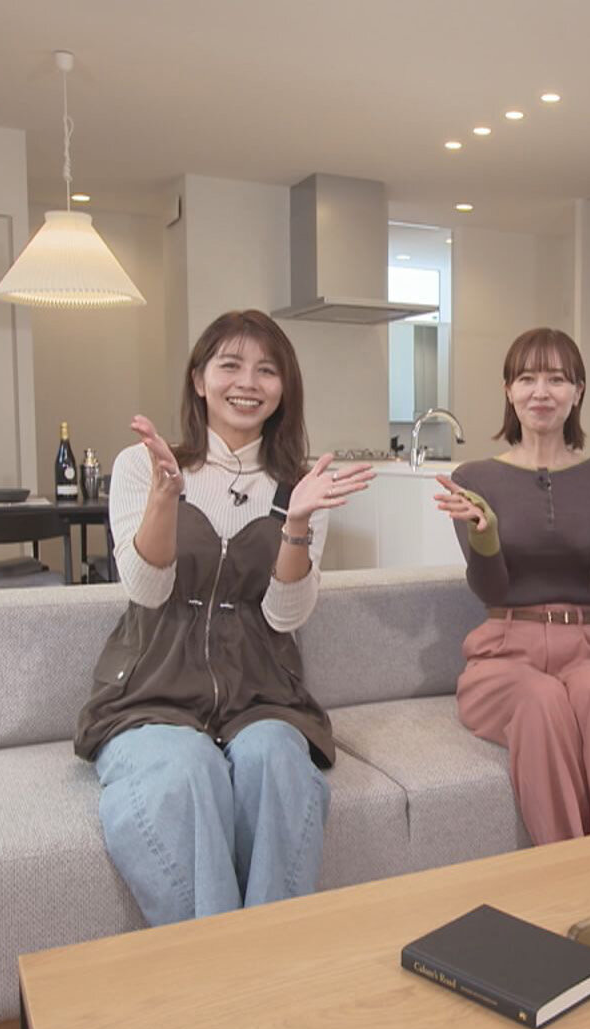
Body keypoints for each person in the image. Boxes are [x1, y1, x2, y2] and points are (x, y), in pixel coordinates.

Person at [75, 309, 373, 926]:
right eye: (230, 365)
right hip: (152, 691)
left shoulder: (302, 486)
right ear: (199, 378)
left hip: (262, 694)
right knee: (188, 768)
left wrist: (297, 522)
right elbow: (146, 589)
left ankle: (266, 951)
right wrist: (165, 498)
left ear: (284, 387)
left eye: (267, 370)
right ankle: (222, 963)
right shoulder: (144, 467)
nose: (248, 383)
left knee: (277, 761)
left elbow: (286, 615)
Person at [432, 327, 590, 845]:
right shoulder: (474, 478)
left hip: (588, 646)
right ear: (508, 390)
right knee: (542, 699)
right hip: (504, 652)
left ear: (578, 392)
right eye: (527, 378)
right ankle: (568, 872)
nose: (541, 392)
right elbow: (492, 590)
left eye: (556, 379)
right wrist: (485, 537)